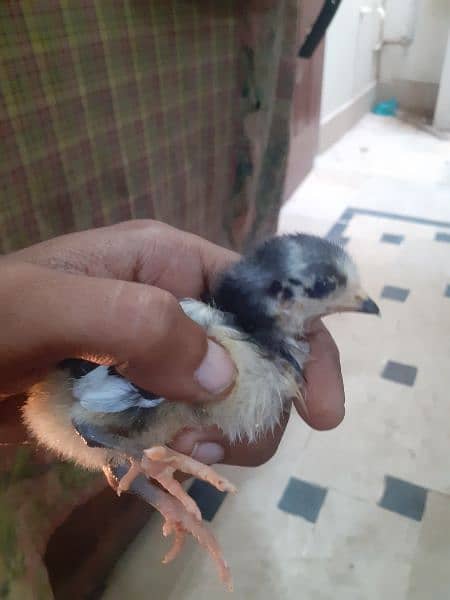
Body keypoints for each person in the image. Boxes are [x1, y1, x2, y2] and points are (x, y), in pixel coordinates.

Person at [0, 219, 344, 466]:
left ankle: (157, 487)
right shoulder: (210, 335)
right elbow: (81, 420)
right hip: (77, 407)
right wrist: (149, 461)